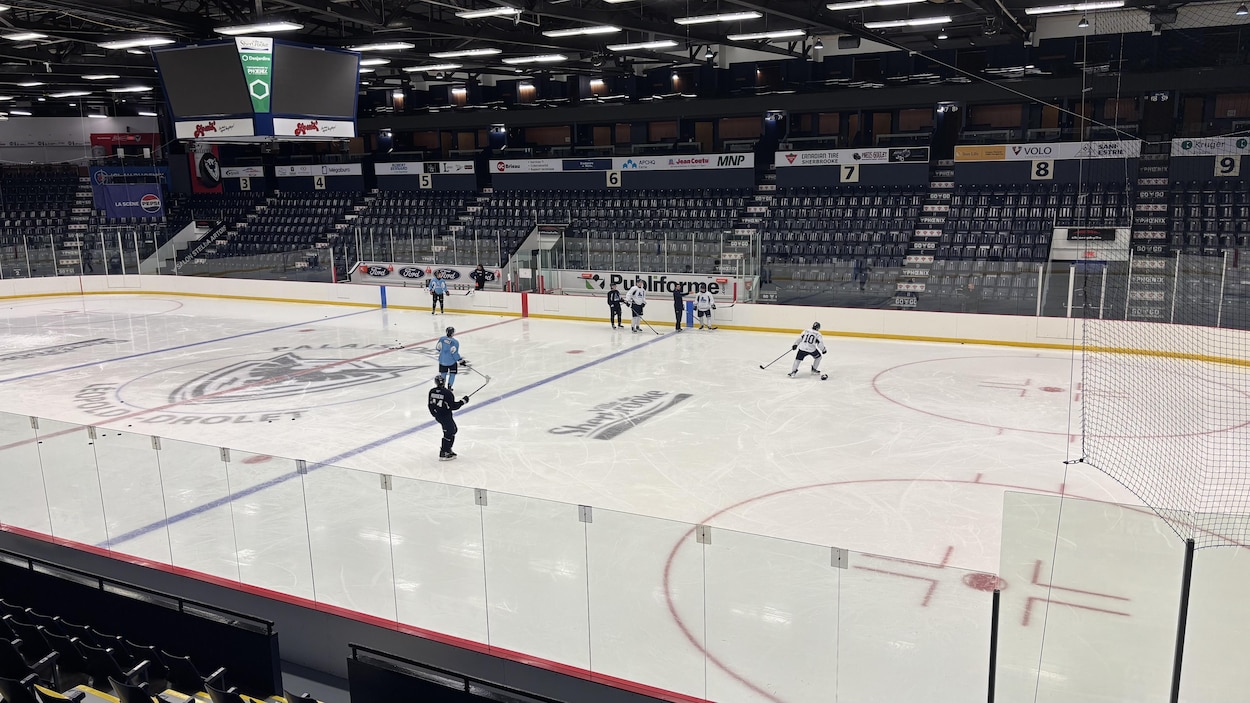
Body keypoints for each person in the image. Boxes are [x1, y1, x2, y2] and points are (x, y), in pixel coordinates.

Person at [428, 375, 468, 461]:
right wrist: (462, 402)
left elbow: (430, 405)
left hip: (439, 415)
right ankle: (444, 452)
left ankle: (448, 449)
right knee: (449, 431)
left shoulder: (432, 391)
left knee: (453, 430)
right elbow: (453, 406)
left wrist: (434, 414)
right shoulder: (447, 393)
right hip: (445, 415)